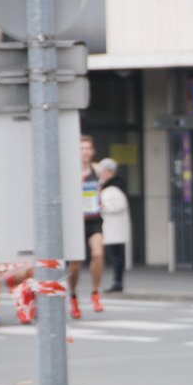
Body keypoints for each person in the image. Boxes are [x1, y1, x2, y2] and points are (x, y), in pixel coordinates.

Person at [67, 136, 104, 319]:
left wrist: (101, 201)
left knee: (98, 254)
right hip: (75, 220)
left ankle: (95, 292)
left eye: (88, 148)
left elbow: (99, 191)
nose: (86, 151)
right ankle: (73, 296)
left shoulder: (96, 170)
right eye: (82, 148)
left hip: (93, 218)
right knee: (76, 263)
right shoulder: (70, 171)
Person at [97, 158, 129, 293]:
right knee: (116, 256)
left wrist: (102, 207)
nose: (101, 174)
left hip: (115, 228)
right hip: (112, 228)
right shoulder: (109, 186)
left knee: (116, 256)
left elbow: (118, 206)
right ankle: (117, 281)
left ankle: (117, 282)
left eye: (103, 171)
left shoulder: (114, 188)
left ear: (109, 172)